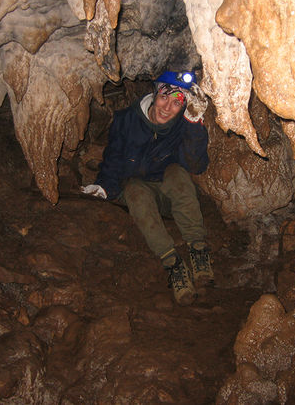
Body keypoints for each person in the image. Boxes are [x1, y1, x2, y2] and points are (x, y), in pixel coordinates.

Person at [80, 71, 213, 305]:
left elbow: (196, 165)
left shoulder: (182, 125)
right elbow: (113, 160)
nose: (167, 107)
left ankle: (198, 249)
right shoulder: (125, 121)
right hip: (139, 196)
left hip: (170, 195)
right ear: (155, 93)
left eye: (177, 103)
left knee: (177, 172)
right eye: (165, 97)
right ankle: (172, 264)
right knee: (133, 188)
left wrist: (193, 124)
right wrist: (103, 187)